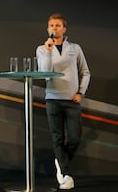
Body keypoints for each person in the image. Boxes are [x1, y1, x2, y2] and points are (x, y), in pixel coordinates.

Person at [36, 13, 90, 190]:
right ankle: (65, 174)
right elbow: (44, 72)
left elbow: (85, 72)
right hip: (53, 98)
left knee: (75, 137)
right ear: (47, 28)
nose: (54, 28)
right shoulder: (42, 49)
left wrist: (80, 92)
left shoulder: (75, 48)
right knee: (57, 138)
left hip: (71, 99)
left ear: (64, 29)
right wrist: (49, 52)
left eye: (57, 25)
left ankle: (61, 160)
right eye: (51, 25)